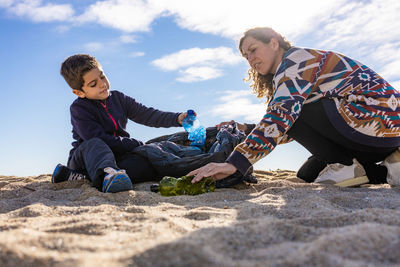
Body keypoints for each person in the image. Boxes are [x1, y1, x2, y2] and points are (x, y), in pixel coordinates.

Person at [189, 27, 400, 187]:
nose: (250, 59)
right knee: (307, 174)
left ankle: (346, 165)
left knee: (291, 114)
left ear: (273, 43)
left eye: (253, 50)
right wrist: (244, 128)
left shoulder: (295, 61)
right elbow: (289, 130)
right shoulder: (295, 70)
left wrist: (235, 162)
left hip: (374, 120)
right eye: (246, 56)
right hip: (381, 133)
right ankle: (392, 170)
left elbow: (283, 117)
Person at [52, 54, 188, 193]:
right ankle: (106, 175)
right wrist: (134, 143)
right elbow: (99, 138)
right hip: (87, 158)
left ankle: (99, 176)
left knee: (146, 163)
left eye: (102, 76)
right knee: (95, 143)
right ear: (79, 92)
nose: (102, 84)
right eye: (93, 84)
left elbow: (148, 114)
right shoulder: (79, 109)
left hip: (118, 157)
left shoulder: (119, 98)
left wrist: (177, 118)